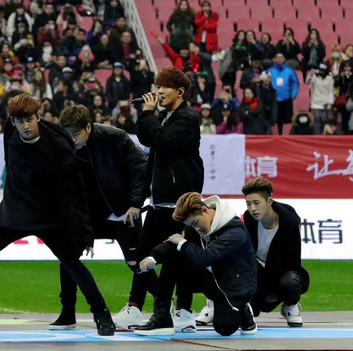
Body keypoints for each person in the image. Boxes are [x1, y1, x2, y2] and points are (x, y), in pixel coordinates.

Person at [0, 94, 115, 338]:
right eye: (20, 121)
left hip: (48, 216)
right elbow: (9, 164)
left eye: (29, 120)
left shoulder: (58, 142)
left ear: (38, 117)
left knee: (71, 261)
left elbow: (76, 189)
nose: (25, 126)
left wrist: (84, 232)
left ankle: (101, 313)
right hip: (14, 213)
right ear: (13, 121)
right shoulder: (10, 132)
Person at [56, 104, 147, 330]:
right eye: (68, 135)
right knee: (67, 257)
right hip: (89, 216)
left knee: (140, 263)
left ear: (88, 127)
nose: (72, 140)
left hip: (122, 212)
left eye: (76, 134)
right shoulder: (64, 145)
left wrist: (135, 203)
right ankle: (67, 312)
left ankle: (151, 307)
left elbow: (141, 167)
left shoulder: (115, 137)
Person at [132, 66, 204, 334]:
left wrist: (150, 115)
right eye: (157, 86)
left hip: (178, 202)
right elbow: (146, 139)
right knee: (141, 257)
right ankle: (168, 308)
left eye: (164, 87)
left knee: (176, 258)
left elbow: (164, 142)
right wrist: (148, 115)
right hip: (159, 202)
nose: (158, 91)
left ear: (180, 92)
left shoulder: (187, 118)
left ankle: (175, 309)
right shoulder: (165, 117)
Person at [135, 192, 258, 337]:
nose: (196, 229)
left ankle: (242, 309)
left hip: (234, 287)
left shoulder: (234, 231)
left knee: (225, 328)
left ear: (205, 210)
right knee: (174, 256)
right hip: (211, 280)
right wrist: (153, 258)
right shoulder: (196, 226)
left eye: (195, 224)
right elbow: (175, 241)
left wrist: (182, 243)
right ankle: (162, 316)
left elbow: (206, 258)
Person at [199, 178, 309, 327]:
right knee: (222, 263)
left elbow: (293, 259)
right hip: (256, 269)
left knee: (290, 284)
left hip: (283, 270)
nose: (253, 209)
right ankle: (214, 306)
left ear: (269, 201)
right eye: (248, 203)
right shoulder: (249, 219)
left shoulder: (288, 222)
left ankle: (290, 305)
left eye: (257, 203)